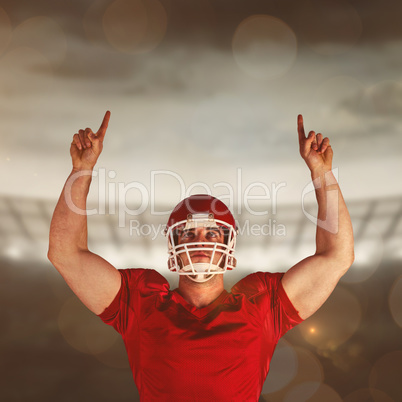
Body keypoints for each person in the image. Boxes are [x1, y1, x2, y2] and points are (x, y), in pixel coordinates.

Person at [48, 111, 354, 401]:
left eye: (211, 234)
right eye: (189, 234)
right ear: (173, 244)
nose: (200, 243)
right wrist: (81, 170)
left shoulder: (261, 307)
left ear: (228, 243)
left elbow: (336, 256)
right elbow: (65, 253)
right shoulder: (141, 303)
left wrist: (321, 172)